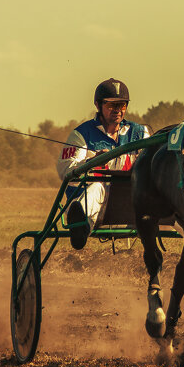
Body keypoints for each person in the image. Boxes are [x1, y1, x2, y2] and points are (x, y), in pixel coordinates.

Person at [56, 78, 150, 249]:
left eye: (122, 105)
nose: (117, 110)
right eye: (111, 105)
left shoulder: (139, 133)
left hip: (129, 201)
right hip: (95, 205)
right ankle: (80, 222)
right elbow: (65, 171)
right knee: (97, 187)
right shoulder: (81, 135)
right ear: (98, 105)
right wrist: (92, 161)